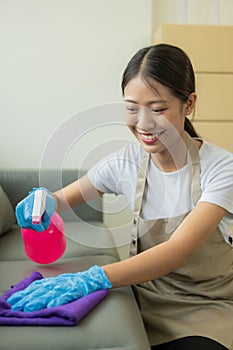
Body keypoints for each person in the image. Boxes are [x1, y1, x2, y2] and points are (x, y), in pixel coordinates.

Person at [7, 44, 233, 350]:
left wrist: (92, 278)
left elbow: (179, 250)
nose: (143, 124)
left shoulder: (221, 168)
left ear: (189, 103)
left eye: (157, 109)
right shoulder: (124, 163)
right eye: (131, 108)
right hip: (141, 294)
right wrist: (44, 202)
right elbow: (61, 200)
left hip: (205, 307)